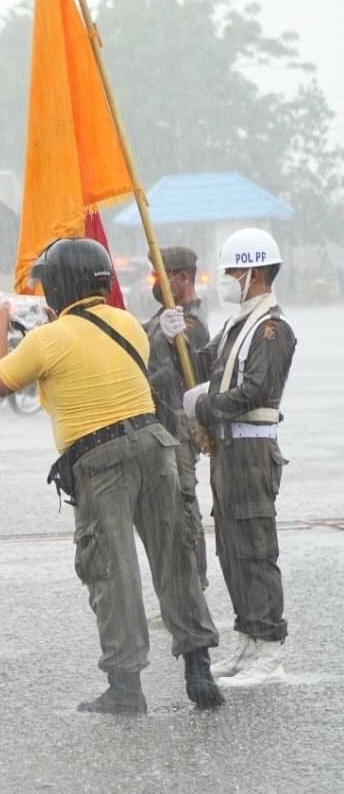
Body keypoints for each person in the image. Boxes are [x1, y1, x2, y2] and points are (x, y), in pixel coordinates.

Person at [0, 238, 223, 713]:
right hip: (155, 445)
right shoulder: (127, 322)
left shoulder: (47, 339)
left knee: (112, 569)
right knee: (174, 559)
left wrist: (0, 325)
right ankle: (199, 669)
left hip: (101, 459)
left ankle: (126, 687)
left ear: (59, 285)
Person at [182, 228, 296, 688]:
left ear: (252, 272)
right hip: (228, 448)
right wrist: (181, 327)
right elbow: (203, 361)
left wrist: (203, 406)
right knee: (231, 546)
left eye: (232, 271)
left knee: (255, 546)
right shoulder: (236, 324)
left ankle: (269, 650)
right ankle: (249, 637)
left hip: (251, 446)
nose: (227, 278)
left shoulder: (272, 329)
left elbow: (255, 391)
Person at [143, 246, 210, 590]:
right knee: (165, 510)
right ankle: (180, 593)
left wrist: (173, 339)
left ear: (182, 278)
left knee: (184, 505)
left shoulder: (192, 324)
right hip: (157, 426)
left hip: (177, 426)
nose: (156, 280)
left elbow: (180, 372)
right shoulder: (161, 317)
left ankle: (194, 589)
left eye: (162, 274)